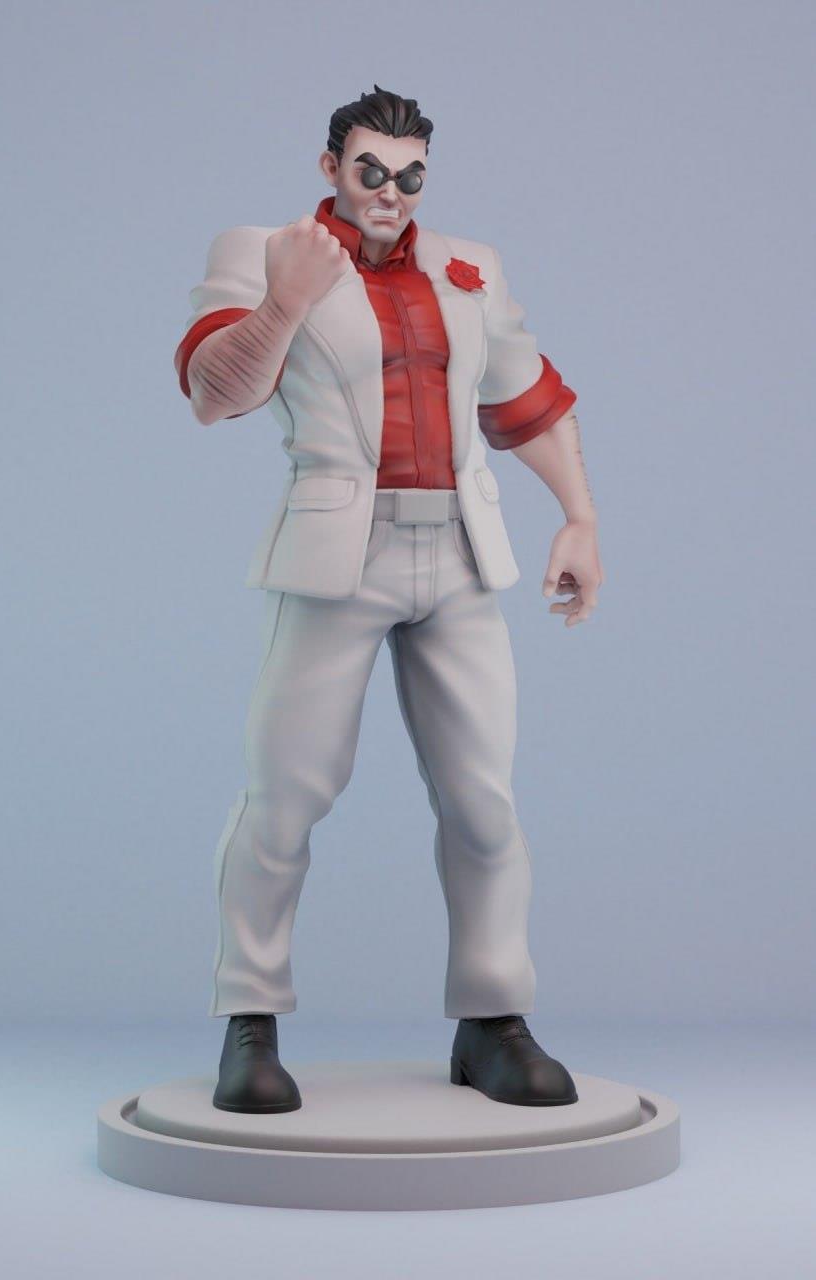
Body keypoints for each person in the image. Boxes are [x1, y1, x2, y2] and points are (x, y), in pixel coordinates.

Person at [174, 85, 603, 1113]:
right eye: (369, 170)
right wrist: (284, 300)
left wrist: (580, 515)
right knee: (285, 794)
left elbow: (525, 396)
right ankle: (250, 1016)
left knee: (483, 798)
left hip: (457, 550)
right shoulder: (263, 250)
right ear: (331, 166)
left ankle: (493, 1018)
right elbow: (214, 395)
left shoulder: (466, 266)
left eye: (410, 176)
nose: (389, 192)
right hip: (338, 553)